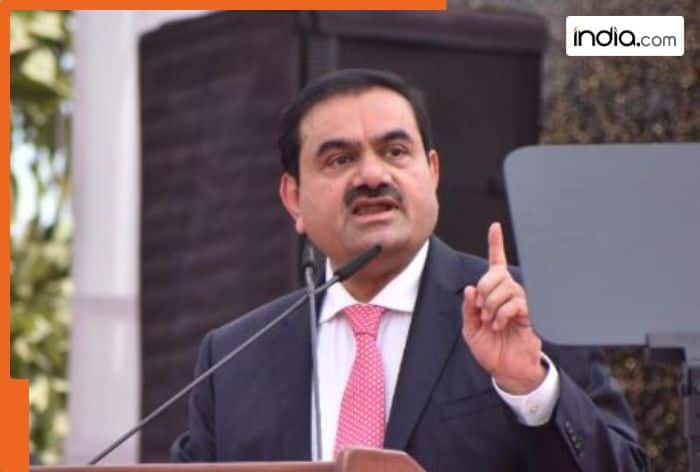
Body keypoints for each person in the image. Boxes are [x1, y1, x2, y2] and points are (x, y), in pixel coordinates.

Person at [171, 69, 648, 470]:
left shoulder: (528, 310)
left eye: (395, 152)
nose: (372, 175)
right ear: (294, 198)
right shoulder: (234, 359)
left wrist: (532, 389)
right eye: (339, 159)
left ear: (432, 172)